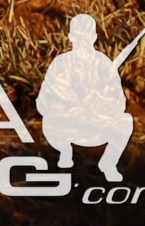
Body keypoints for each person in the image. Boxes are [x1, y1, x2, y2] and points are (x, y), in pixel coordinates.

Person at [37, 14, 136, 181]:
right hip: (67, 126)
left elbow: (120, 104)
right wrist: (70, 105)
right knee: (48, 121)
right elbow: (43, 104)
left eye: (86, 36)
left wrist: (100, 101)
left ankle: (108, 164)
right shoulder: (60, 63)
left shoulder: (104, 63)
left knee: (125, 121)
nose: (82, 40)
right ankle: (65, 152)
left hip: (96, 127)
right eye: (79, 36)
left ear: (94, 37)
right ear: (71, 37)